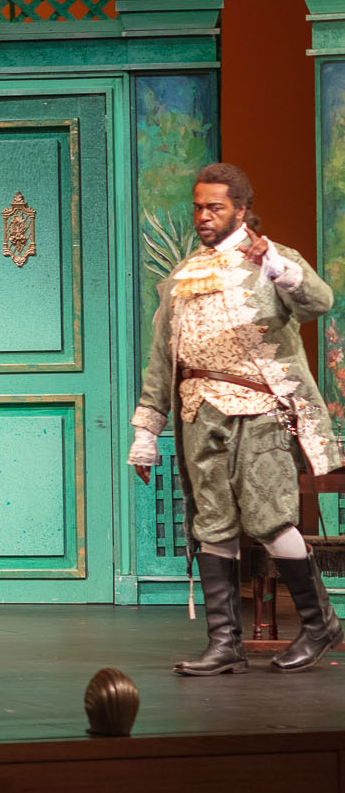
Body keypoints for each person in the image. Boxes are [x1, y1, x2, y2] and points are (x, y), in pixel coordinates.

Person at [131, 162, 342, 675]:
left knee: (271, 519)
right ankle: (224, 644)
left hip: (259, 412)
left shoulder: (272, 259)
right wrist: (146, 433)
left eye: (215, 207)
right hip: (198, 412)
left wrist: (274, 262)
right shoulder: (182, 276)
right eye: (198, 207)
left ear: (241, 210)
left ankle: (320, 625)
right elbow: (161, 358)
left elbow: (319, 302)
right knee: (212, 524)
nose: (204, 216)